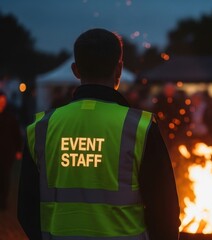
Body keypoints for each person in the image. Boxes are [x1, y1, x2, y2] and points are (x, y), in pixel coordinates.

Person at [18, 28, 180, 240]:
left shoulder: (41, 127)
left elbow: (26, 209)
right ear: (119, 69)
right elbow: (165, 211)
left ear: (75, 70)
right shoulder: (140, 127)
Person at [0, 91, 22, 210]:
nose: (1, 103)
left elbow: (16, 134)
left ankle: (3, 202)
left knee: (5, 176)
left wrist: (18, 149)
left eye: (3, 101)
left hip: (7, 151)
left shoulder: (10, 116)